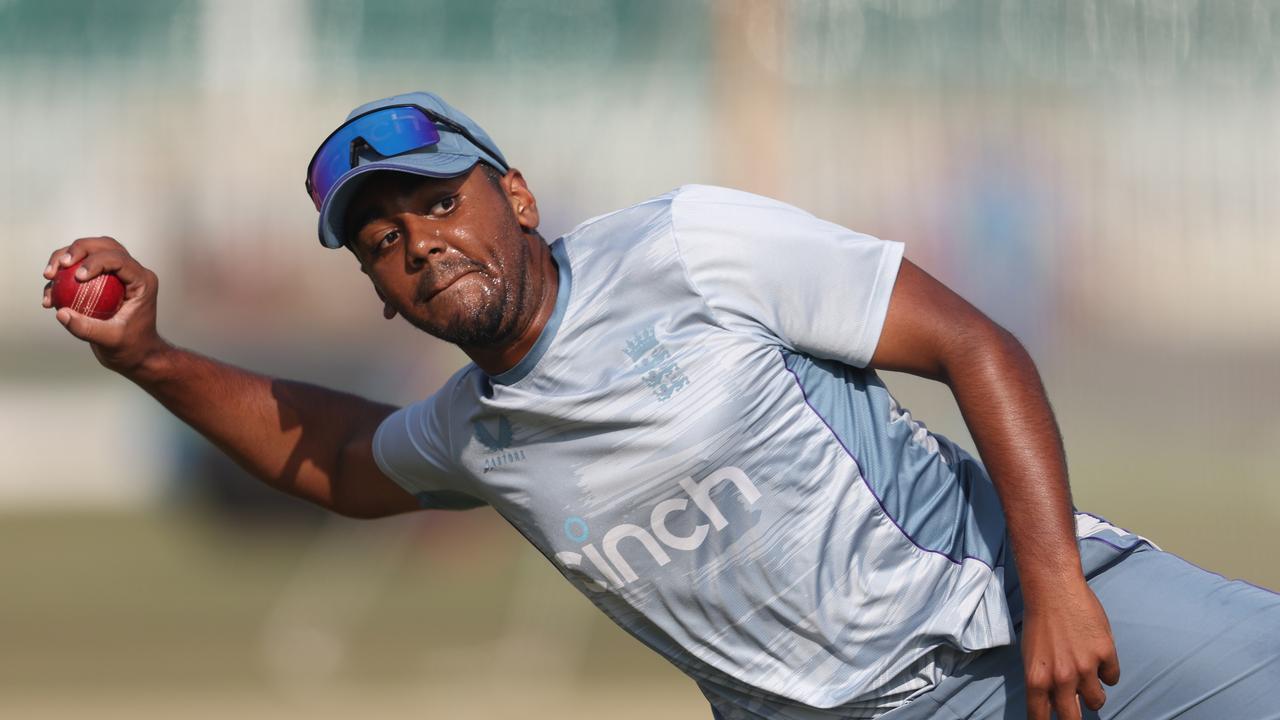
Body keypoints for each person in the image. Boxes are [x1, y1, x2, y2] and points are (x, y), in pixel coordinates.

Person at [41, 91, 1279, 720]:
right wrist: (149, 356)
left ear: (515, 196)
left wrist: (1057, 584)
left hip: (1025, 611)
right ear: (374, 292)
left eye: (434, 201)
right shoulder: (476, 430)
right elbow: (343, 460)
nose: (415, 243)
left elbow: (972, 343)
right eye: (377, 241)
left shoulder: (685, 245)